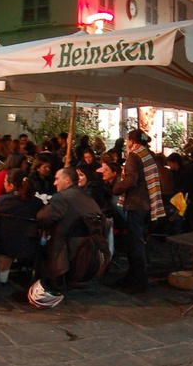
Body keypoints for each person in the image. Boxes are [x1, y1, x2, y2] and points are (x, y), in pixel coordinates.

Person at [34, 167, 104, 304]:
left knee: (38, 242)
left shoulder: (62, 198)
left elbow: (43, 217)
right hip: (90, 248)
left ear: (67, 179)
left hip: (67, 249)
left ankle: (44, 284)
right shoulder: (86, 196)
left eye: (57, 179)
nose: (54, 183)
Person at [111, 128, 167, 293]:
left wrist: (116, 188)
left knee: (135, 245)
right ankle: (133, 277)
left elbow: (131, 179)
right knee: (138, 242)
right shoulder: (148, 154)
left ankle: (138, 282)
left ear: (131, 141)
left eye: (128, 140)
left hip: (137, 204)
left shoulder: (134, 156)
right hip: (148, 204)